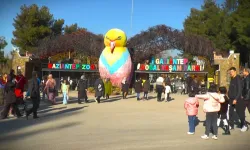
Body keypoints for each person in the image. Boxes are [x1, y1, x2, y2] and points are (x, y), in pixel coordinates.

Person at [228, 67, 247, 132]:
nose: (231, 73)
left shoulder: (238, 79)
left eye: (232, 72)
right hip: (231, 98)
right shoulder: (232, 79)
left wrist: (236, 99)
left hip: (237, 99)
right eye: (230, 72)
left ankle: (244, 125)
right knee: (230, 112)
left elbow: (239, 90)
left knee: (240, 113)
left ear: (235, 71)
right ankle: (231, 125)